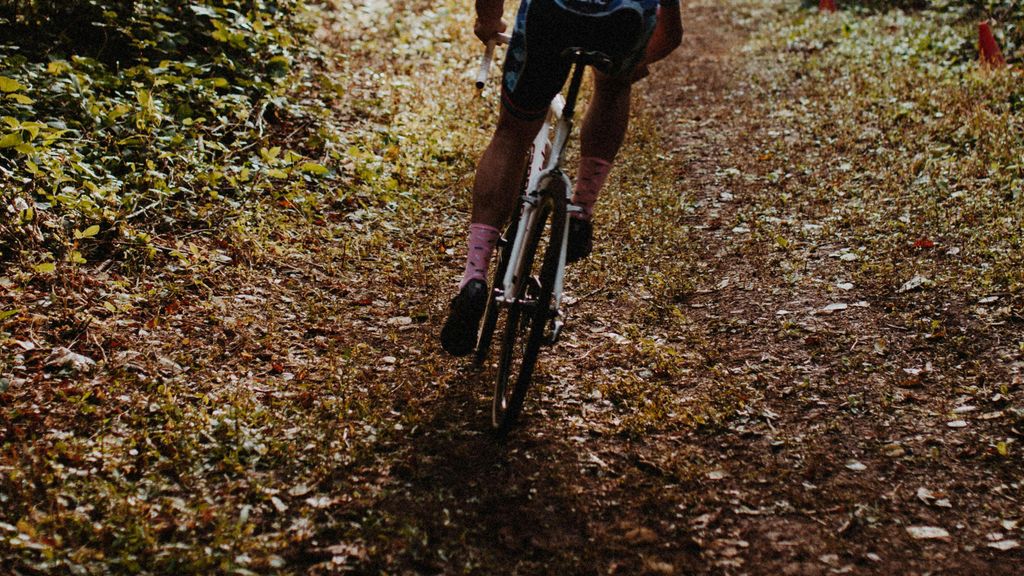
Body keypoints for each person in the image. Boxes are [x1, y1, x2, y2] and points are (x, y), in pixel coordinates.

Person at [441, 0, 683, 356]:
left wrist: (488, 20)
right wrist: (633, 62)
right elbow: (671, 34)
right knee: (614, 87)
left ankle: (475, 277)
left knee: (512, 134)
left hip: (551, 14)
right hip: (623, 17)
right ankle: (581, 210)